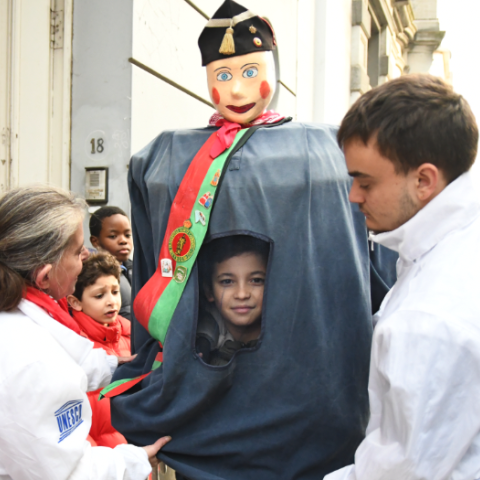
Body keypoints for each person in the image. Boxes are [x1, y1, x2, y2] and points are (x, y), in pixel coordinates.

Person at [107, 1, 397, 478]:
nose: (236, 89)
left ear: (274, 72)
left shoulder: (327, 148)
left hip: (312, 400)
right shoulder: (163, 157)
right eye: (221, 76)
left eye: (249, 71)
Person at [325, 74, 480, 479]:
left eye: (365, 181)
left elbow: (399, 472)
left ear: (424, 180)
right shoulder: (453, 245)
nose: (353, 196)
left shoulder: (429, 316)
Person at [0, 185, 170, 480]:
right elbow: (69, 474)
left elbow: (65, 352)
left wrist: (115, 365)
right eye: (79, 251)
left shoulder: (18, 319)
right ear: (44, 275)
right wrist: (134, 460)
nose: (87, 256)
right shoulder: (35, 362)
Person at [68, 252, 131, 449]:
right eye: (99, 295)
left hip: (138, 452)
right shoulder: (76, 347)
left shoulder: (132, 334)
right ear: (75, 302)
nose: (111, 301)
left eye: (115, 291)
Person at [195, 235, 269, 366]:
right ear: (209, 291)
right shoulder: (201, 337)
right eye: (227, 282)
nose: (242, 294)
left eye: (256, 280)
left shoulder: (285, 334)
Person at [89, 206, 133, 321]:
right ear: (95, 241)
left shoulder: (134, 268)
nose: (123, 241)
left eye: (127, 235)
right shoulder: (93, 275)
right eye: (113, 236)